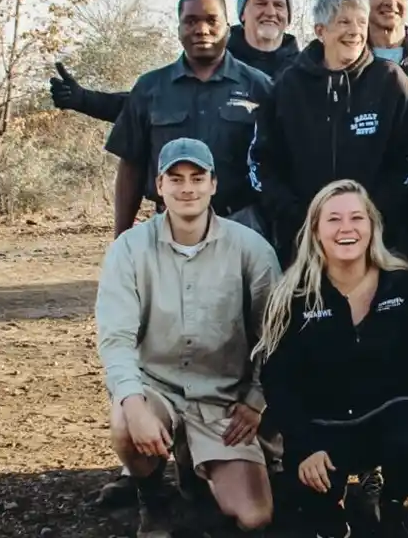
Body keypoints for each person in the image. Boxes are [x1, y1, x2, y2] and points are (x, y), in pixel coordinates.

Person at [257, 179, 408, 538]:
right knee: (312, 515)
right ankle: (337, 500)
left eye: (357, 218)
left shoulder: (401, 282)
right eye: (333, 220)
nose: (346, 229)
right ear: (316, 231)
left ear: (372, 226)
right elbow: (277, 381)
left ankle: (392, 501)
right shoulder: (294, 294)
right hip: (322, 425)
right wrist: (304, 445)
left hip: (388, 411)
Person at [95, 138, 280, 537]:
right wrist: (133, 403)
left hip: (223, 398)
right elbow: (116, 339)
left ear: (213, 184)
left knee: (254, 517)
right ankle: (151, 498)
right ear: (159, 186)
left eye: (198, 178)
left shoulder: (251, 249)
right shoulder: (128, 250)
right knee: (127, 424)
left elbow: (275, 336)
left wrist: (256, 398)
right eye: (175, 179)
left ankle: (195, 466)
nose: (187, 188)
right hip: (157, 387)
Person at [248, 0, 408, 265]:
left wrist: (370, 215)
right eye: (343, 21)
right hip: (303, 245)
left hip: (378, 244)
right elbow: (262, 163)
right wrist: (303, 217)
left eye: (361, 22)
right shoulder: (288, 86)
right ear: (321, 31)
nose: (355, 31)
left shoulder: (390, 81)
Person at [105, 0, 273, 237]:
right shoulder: (150, 88)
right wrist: (121, 237)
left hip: (241, 226)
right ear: (179, 29)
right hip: (169, 228)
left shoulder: (259, 86)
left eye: (211, 20)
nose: (201, 29)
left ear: (227, 27)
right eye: (191, 21)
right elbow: (131, 166)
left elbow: (278, 163)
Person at [49, 0, 300, 125]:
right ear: (242, 13)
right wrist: (84, 99)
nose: (270, 12)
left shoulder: (305, 70)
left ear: (288, 16)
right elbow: (151, 102)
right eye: (260, 3)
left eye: (279, 5)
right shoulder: (210, 58)